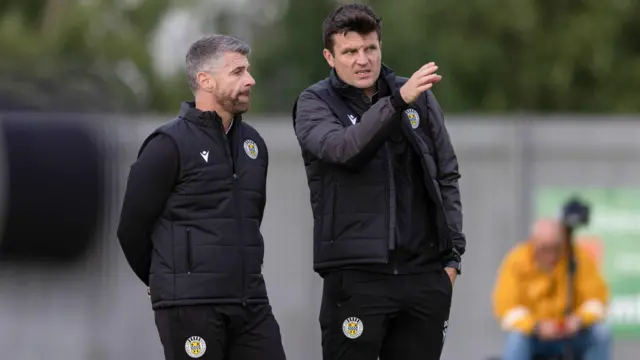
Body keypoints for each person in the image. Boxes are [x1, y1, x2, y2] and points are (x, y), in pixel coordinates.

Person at [291, 4, 466, 360]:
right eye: (350, 51)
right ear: (330, 56)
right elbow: (343, 149)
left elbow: (447, 173)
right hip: (357, 277)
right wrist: (397, 102)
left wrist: (452, 258)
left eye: (370, 48)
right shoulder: (314, 103)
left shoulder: (418, 96)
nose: (363, 60)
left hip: (424, 276)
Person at [117, 34, 286, 360]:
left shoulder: (254, 146)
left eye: (248, 70)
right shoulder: (167, 144)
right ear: (205, 80)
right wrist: (167, 279)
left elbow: (251, 217)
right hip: (190, 306)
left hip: (250, 302)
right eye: (237, 72)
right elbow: (131, 229)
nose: (250, 80)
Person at [492, 218, 611, 360]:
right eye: (545, 249)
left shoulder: (576, 258)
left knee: (601, 333)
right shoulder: (516, 262)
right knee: (516, 339)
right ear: (533, 244)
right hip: (535, 337)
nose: (552, 255)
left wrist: (579, 320)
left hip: (572, 336)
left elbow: (597, 300)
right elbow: (507, 309)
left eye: (557, 248)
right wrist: (536, 327)